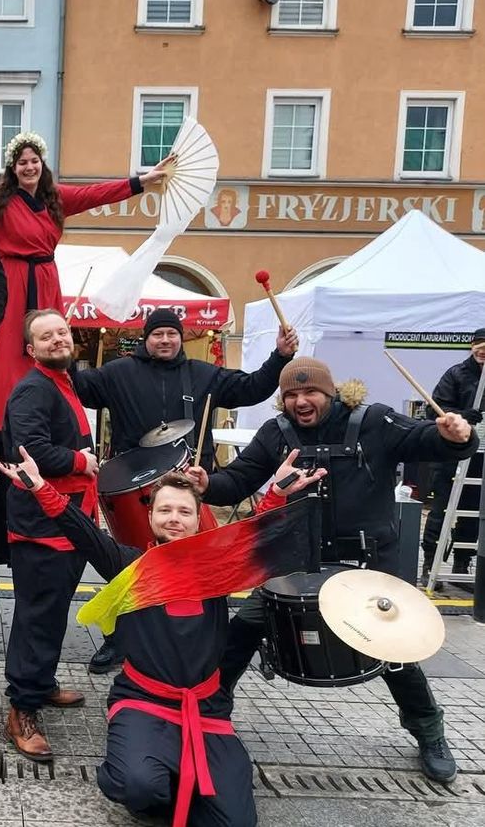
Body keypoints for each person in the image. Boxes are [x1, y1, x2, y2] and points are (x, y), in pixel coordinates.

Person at [185, 356, 477, 784]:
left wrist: (458, 437)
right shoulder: (276, 433)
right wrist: (208, 483)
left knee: (398, 653)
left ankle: (429, 731)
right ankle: (211, 712)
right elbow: (240, 479)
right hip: (295, 561)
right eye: (291, 395)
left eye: (310, 393)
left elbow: (427, 440)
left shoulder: (375, 421)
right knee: (241, 631)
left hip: (369, 565)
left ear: (331, 392)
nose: (301, 401)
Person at [0, 447, 322, 826]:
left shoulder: (217, 568)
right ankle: (154, 774)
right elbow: (82, 533)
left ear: (199, 519)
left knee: (235, 822)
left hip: (205, 709)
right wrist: (39, 486)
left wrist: (278, 494)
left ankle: (180, 775)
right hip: (143, 702)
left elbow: (254, 536)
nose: (174, 519)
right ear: (149, 516)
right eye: (165, 510)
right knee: (138, 787)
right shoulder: (131, 567)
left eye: (185, 512)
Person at [0, 133, 174, 565]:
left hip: (46, 283)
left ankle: (50, 416)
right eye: (21, 163)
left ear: (41, 164)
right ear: (13, 169)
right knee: (6, 356)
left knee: (52, 349)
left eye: (34, 161)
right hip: (12, 285)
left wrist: (141, 181)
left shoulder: (55, 199)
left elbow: (95, 195)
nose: (29, 168)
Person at [72, 307, 298, 674]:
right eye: (157, 334)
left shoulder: (202, 374)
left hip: (190, 484)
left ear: (180, 337)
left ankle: (202, 635)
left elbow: (252, 388)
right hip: (133, 489)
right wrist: (62, 352)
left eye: (171, 334)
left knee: (197, 564)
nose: (165, 340)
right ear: (146, 338)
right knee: (133, 566)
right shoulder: (119, 373)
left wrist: (280, 357)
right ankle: (121, 639)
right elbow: (79, 387)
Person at [1, 308, 99, 760]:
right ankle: (21, 709)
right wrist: (82, 461)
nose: (57, 339)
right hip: (44, 528)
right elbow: (31, 452)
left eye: (61, 332)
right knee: (36, 617)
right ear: (31, 349)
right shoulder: (31, 391)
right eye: (46, 336)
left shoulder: (63, 382)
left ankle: (40, 684)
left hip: (67, 521)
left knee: (53, 612)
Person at [420, 328, 485, 583]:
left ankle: (461, 564)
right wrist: (463, 416)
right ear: (471, 347)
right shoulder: (456, 374)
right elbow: (434, 409)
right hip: (451, 455)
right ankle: (429, 564)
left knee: (473, 510)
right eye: (479, 346)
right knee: (441, 509)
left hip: (480, 457)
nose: (483, 352)